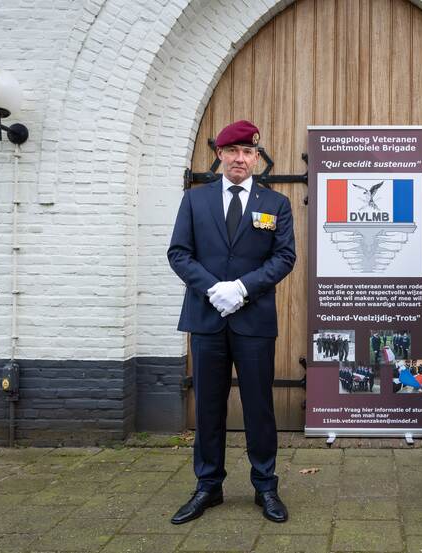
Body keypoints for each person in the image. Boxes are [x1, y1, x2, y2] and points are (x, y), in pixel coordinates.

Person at [167, 120, 295, 525]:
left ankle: (265, 486)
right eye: (233, 151)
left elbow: (284, 258)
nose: (240, 159)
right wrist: (212, 289)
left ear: (257, 158)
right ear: (220, 155)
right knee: (207, 406)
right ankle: (208, 486)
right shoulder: (195, 201)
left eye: (248, 153)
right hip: (206, 320)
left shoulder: (276, 204)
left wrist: (241, 288)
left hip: (253, 319)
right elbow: (179, 253)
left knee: (259, 407)